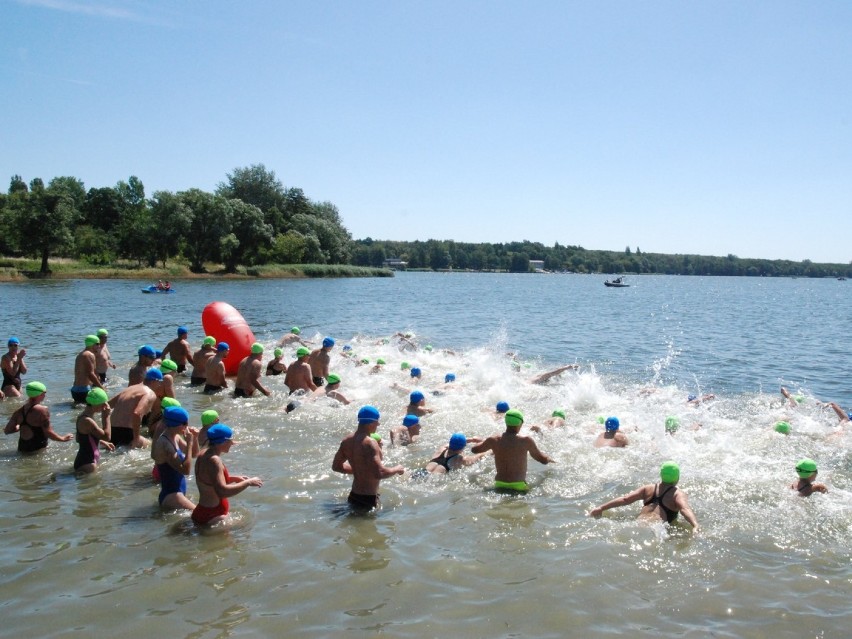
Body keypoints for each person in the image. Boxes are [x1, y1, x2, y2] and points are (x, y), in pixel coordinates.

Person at [331, 405, 405, 512]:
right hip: (368, 500)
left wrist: (358, 470)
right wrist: (397, 468)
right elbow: (380, 473)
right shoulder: (370, 443)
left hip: (353, 496)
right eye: (377, 421)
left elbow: (336, 467)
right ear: (371, 423)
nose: (378, 424)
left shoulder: (346, 440)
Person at [589, 461, 700, 532]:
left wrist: (601, 508)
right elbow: (685, 509)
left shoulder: (648, 488)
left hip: (637, 524)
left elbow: (625, 499)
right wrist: (695, 525)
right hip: (656, 529)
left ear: (661, 475)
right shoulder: (677, 494)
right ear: (677, 478)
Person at [191, 424, 263, 526]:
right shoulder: (214, 460)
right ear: (222, 442)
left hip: (202, 511)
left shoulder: (203, 453)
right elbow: (222, 492)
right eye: (230, 440)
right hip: (214, 516)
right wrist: (248, 482)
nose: (232, 443)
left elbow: (209, 481)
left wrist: (232, 478)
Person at [471, 409, 556, 492]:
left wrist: (484, 441)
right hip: (519, 485)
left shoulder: (494, 440)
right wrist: (548, 458)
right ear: (521, 423)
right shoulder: (526, 441)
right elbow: (541, 459)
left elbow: (474, 450)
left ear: (506, 422)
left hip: (500, 484)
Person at [4, 381, 73, 453]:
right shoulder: (42, 410)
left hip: (22, 449)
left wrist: (19, 427)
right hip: (37, 450)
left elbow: (7, 430)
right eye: (44, 392)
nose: (45, 395)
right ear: (41, 394)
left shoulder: (19, 411)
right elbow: (48, 432)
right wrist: (63, 439)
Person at [152, 406, 197, 511]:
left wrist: (194, 439)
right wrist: (189, 443)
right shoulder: (164, 443)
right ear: (174, 424)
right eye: (184, 423)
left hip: (178, 493)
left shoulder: (175, 437)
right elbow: (185, 470)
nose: (187, 426)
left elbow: (194, 454)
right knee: (203, 519)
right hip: (172, 496)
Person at [108, 368, 162, 447]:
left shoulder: (129, 389)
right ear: (154, 381)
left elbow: (106, 405)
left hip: (112, 431)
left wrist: (105, 428)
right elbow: (137, 413)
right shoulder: (150, 393)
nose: (159, 385)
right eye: (159, 382)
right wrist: (136, 438)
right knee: (152, 445)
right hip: (126, 433)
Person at [74, 387, 115, 473]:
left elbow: (79, 439)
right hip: (87, 464)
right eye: (103, 403)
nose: (105, 406)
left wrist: (100, 442)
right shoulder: (87, 420)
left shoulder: (83, 417)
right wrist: (106, 416)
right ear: (96, 404)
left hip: (86, 461)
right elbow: (107, 436)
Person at [417, 433, 490, 476]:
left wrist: (470, 440)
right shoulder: (461, 459)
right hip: (432, 480)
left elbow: (452, 442)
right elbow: (480, 455)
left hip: (420, 474)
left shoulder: (441, 449)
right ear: (463, 447)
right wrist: (492, 448)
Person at [72, 335, 106, 406]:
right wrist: (101, 387)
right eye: (97, 344)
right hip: (84, 390)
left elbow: (92, 371)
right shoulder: (89, 355)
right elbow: (90, 374)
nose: (99, 346)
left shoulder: (81, 354)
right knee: (92, 408)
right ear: (92, 344)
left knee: (78, 409)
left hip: (75, 389)